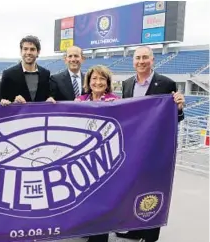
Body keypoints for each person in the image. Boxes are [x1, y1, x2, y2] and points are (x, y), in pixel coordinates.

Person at [115, 46, 185, 242]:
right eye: (138, 58)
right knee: (133, 187)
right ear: (133, 61)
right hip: (133, 147)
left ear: (152, 60)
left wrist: (179, 108)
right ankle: (135, 228)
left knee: (153, 189)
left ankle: (150, 234)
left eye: (145, 57)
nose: (141, 61)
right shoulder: (127, 84)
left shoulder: (166, 83)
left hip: (155, 149)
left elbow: (175, 117)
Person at [75, 65, 118, 242]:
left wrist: (115, 108)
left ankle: (100, 237)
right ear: (88, 81)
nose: (98, 82)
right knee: (85, 195)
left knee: (102, 197)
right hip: (82, 157)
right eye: (94, 78)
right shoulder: (79, 99)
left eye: (102, 79)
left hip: (105, 157)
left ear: (107, 83)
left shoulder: (115, 100)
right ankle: (86, 228)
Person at [0, 35, 54, 104]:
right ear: (21, 51)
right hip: (18, 114)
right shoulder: (8, 74)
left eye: (32, 49)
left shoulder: (45, 74)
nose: (28, 52)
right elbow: (2, 101)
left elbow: (48, 97)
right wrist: (13, 102)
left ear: (38, 52)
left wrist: (49, 99)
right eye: (25, 49)